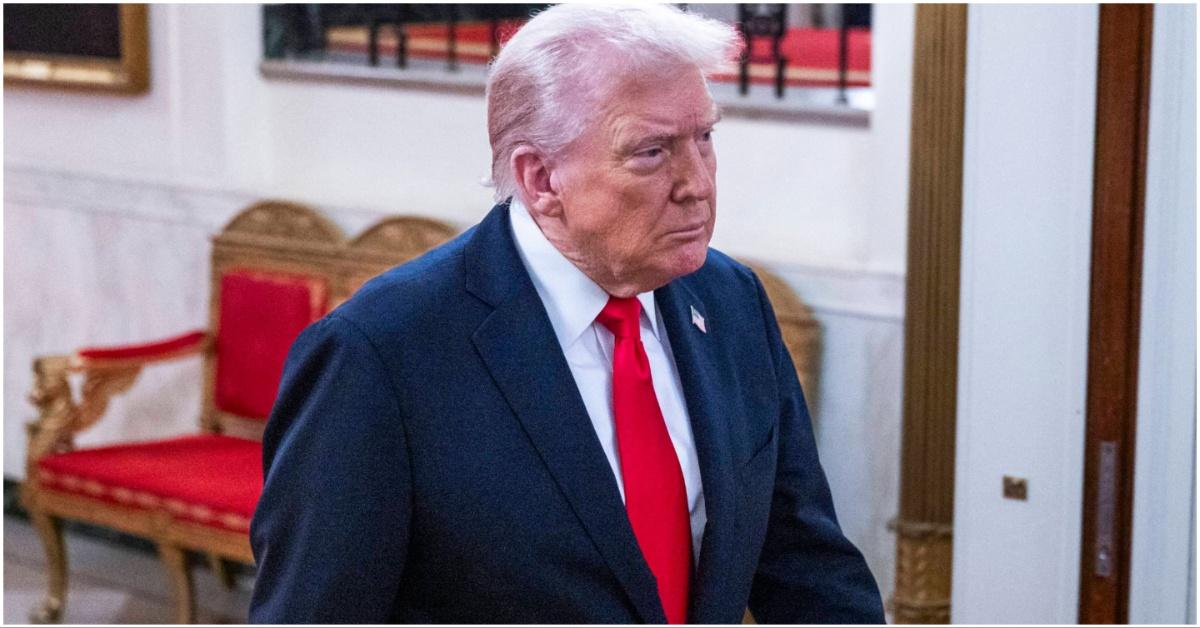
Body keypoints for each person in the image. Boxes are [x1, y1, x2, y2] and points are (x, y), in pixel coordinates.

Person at [249, 4, 884, 624]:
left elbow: (804, 565)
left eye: (705, 138)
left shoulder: (732, 302)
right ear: (541, 178)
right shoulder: (382, 352)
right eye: (652, 152)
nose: (699, 183)